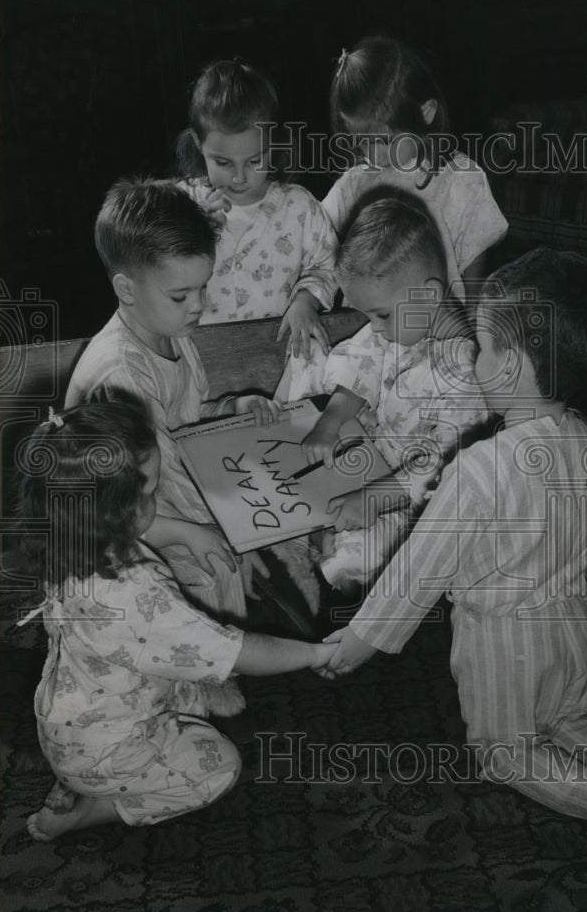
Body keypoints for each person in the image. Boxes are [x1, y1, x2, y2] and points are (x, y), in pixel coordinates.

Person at [321, 248, 587, 879]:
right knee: (575, 718)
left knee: (505, 751)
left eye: (486, 348)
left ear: (517, 366)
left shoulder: (479, 469)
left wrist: (360, 643)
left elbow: (420, 571)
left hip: (505, 642)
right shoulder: (585, 439)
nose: (474, 358)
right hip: (575, 628)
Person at [18, 402, 337, 841]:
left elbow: (137, 531)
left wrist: (186, 530)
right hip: (106, 752)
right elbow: (237, 652)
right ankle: (99, 807)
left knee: (189, 690)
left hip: (68, 727)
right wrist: (316, 652)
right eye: (149, 493)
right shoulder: (136, 595)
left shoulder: (68, 539)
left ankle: (82, 777)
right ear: (114, 511)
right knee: (218, 766)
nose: (155, 498)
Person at [65, 177, 281, 646]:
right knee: (206, 566)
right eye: (181, 295)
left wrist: (230, 406)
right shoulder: (120, 375)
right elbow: (123, 499)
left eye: (203, 287)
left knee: (236, 543)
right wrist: (223, 526)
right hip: (122, 525)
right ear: (126, 288)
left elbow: (185, 415)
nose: (200, 305)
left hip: (171, 495)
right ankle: (197, 674)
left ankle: (219, 654)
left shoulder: (171, 332)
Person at [275, 188, 488, 594]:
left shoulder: (464, 375)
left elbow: (440, 468)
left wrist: (371, 499)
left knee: (355, 565)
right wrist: (331, 420)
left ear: (428, 293)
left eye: (380, 315)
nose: (374, 327)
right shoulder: (400, 325)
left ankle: (340, 567)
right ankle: (319, 520)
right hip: (370, 451)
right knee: (308, 351)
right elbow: (361, 363)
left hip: (409, 501)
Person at [323, 35, 508, 300]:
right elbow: (316, 235)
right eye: (361, 141)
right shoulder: (354, 182)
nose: (373, 155)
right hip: (373, 327)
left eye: (384, 141)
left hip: (440, 326)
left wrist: (473, 326)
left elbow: (474, 265)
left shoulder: (461, 178)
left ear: (426, 112)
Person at [176, 58, 338, 358]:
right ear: (199, 143)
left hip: (278, 360)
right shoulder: (182, 205)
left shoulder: (299, 207)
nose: (239, 177)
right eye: (223, 163)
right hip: (199, 362)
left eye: (254, 161)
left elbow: (325, 263)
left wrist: (306, 300)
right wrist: (193, 231)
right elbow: (153, 268)